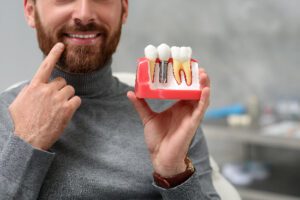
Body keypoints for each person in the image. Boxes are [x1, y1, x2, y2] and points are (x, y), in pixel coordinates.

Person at [0, 0, 220, 199]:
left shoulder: (170, 117)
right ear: (30, 11)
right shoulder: (3, 114)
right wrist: (25, 144)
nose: (84, 14)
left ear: (123, 10)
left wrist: (175, 174)